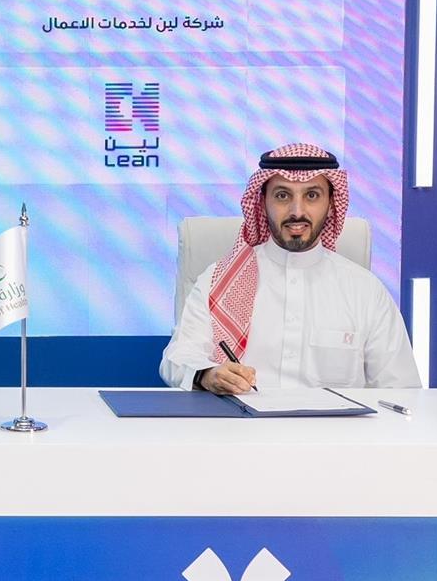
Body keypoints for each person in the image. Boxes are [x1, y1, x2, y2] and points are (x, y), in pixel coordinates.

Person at [160, 143, 421, 393]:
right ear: (262, 202)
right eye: (282, 196)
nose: (297, 211)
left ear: (331, 203)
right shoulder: (220, 280)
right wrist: (207, 374)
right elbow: (177, 358)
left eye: (312, 195)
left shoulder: (365, 290)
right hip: (242, 422)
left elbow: (400, 389)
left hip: (334, 426)